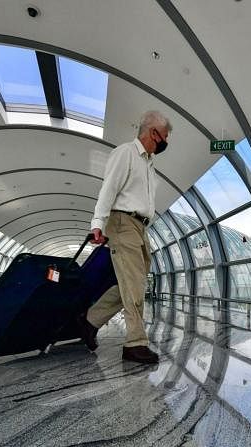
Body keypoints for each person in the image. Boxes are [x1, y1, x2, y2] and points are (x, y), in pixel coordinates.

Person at [76, 110, 171, 364]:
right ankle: (135, 343)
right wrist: (98, 223)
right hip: (123, 222)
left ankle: (89, 321)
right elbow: (109, 189)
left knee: (133, 283)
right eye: (165, 136)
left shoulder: (149, 163)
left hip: (140, 227)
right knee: (133, 284)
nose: (165, 142)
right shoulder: (126, 153)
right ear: (153, 133)